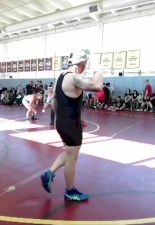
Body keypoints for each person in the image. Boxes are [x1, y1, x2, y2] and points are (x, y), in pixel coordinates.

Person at [40, 49, 103, 201]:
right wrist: (98, 69)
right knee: (72, 158)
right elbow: (97, 86)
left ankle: (49, 173)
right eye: (84, 65)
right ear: (80, 64)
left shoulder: (60, 76)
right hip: (71, 125)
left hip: (62, 122)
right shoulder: (75, 77)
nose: (85, 68)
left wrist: (62, 118)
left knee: (69, 153)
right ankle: (70, 191)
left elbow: (54, 99)